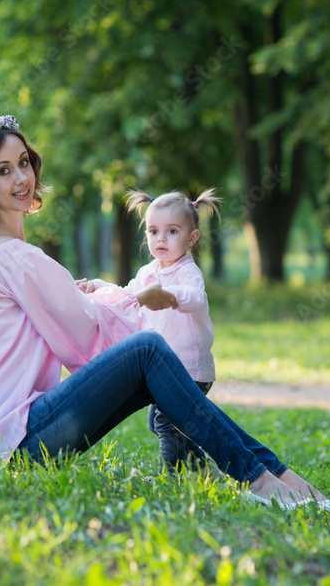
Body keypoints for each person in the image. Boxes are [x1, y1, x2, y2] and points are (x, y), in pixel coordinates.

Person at [0, 114, 330, 509]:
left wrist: (84, 295)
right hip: (19, 440)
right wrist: (136, 299)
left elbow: (51, 319)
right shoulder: (15, 257)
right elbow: (83, 341)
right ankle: (263, 481)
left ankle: (281, 481)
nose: (22, 179)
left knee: (154, 368)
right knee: (147, 349)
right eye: (3, 171)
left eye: (24, 163)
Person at [78, 188, 221, 474]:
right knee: (163, 424)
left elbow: (196, 297)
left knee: (168, 424)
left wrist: (167, 294)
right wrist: (96, 285)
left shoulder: (187, 271)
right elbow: (128, 294)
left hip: (189, 368)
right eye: (153, 231)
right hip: (165, 368)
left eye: (171, 231)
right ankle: (203, 466)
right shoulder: (148, 273)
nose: (161, 239)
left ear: (191, 238)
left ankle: (171, 480)